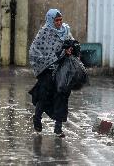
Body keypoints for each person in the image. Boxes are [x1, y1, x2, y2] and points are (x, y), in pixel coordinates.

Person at [28, 8, 75, 137]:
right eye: (56, 20)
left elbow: (72, 42)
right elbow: (36, 50)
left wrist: (70, 49)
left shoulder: (65, 30)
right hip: (47, 70)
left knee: (62, 96)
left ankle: (58, 128)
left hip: (62, 69)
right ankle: (37, 118)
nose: (59, 23)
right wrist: (58, 54)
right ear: (50, 20)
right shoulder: (44, 32)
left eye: (60, 20)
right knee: (44, 96)